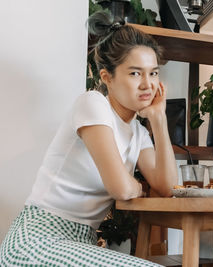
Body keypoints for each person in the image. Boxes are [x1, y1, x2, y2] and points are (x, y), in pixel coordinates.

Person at [0, 11, 177, 266]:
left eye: (154, 73)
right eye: (135, 73)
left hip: (79, 243)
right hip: (37, 240)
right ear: (107, 77)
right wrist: (136, 186)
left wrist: (159, 120)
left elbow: (168, 187)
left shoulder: (138, 132)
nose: (147, 84)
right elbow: (121, 188)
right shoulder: (93, 104)